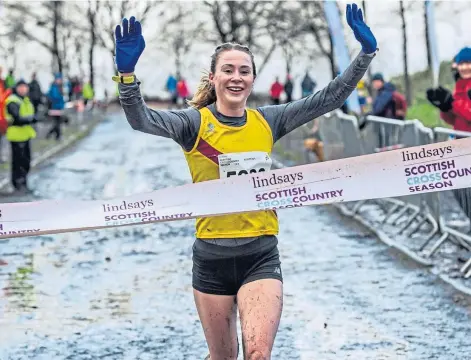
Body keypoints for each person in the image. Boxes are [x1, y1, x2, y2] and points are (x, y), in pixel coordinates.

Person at [113, 3, 377, 359]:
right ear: (213, 78)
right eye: (228, 70)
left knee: (257, 355)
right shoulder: (193, 124)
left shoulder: (269, 120)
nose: (236, 77)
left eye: (244, 71)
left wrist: (366, 53)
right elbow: (141, 120)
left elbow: (329, 97)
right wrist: (127, 75)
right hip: (211, 258)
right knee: (224, 357)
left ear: (252, 79)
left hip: (260, 254)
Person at [426, 47, 471, 133]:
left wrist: (452, 103)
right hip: (462, 139)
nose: (464, 67)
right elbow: (455, 120)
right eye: (461, 64)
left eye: (468, 63)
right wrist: (445, 108)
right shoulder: (459, 86)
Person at [4, 79, 37, 193]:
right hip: (16, 135)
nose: (23, 89)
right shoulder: (13, 101)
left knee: (26, 161)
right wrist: (33, 118)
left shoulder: (25, 100)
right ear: (17, 88)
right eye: (21, 87)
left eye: (25, 87)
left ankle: (23, 182)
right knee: (18, 161)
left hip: (26, 134)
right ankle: (18, 183)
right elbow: (17, 118)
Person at [46, 73, 65, 141]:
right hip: (55, 107)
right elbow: (55, 97)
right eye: (59, 79)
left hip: (58, 107)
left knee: (58, 122)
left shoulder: (58, 87)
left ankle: (56, 136)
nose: (60, 81)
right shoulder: (54, 87)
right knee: (57, 122)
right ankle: (54, 135)